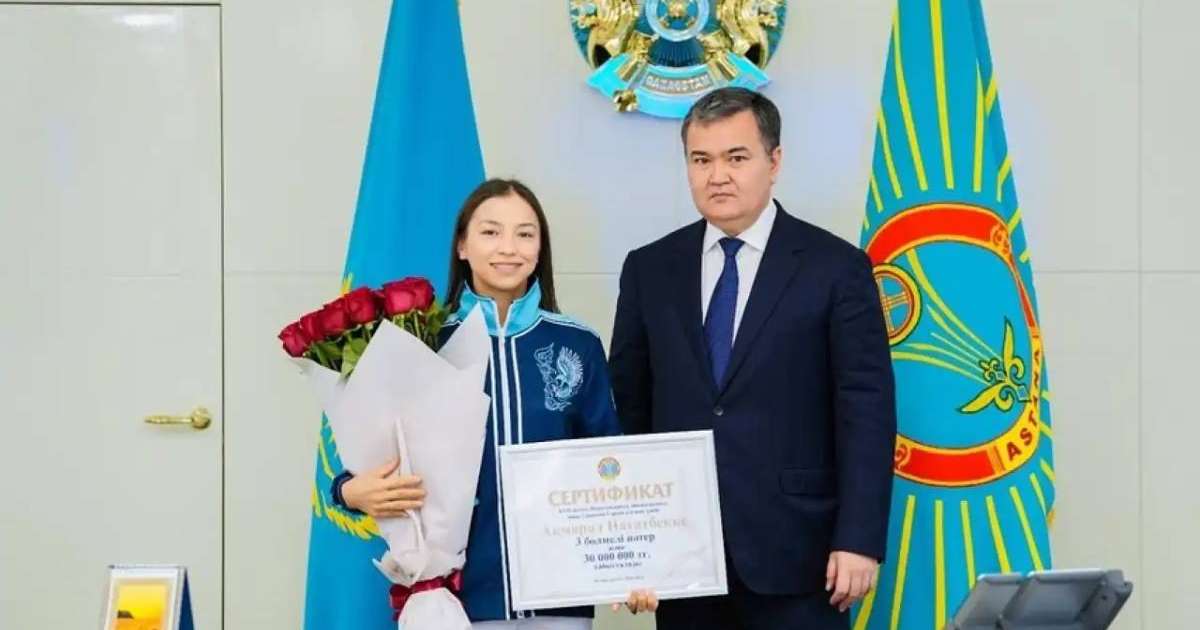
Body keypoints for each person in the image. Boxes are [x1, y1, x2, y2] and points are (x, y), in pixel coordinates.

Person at [609, 87, 897, 629]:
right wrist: (634, 545)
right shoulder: (649, 269)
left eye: (736, 157)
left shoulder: (836, 267)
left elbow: (866, 410)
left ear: (775, 161)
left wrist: (859, 539)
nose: (717, 175)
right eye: (701, 160)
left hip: (802, 558)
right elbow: (630, 412)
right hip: (684, 560)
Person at [331, 178, 656, 629]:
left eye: (525, 234)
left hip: (559, 598)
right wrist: (350, 491)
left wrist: (634, 563)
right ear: (462, 245)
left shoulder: (577, 344)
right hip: (448, 601)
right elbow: (362, 456)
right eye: (490, 232)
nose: (509, 247)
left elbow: (609, 465)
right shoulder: (421, 342)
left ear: (540, 249)